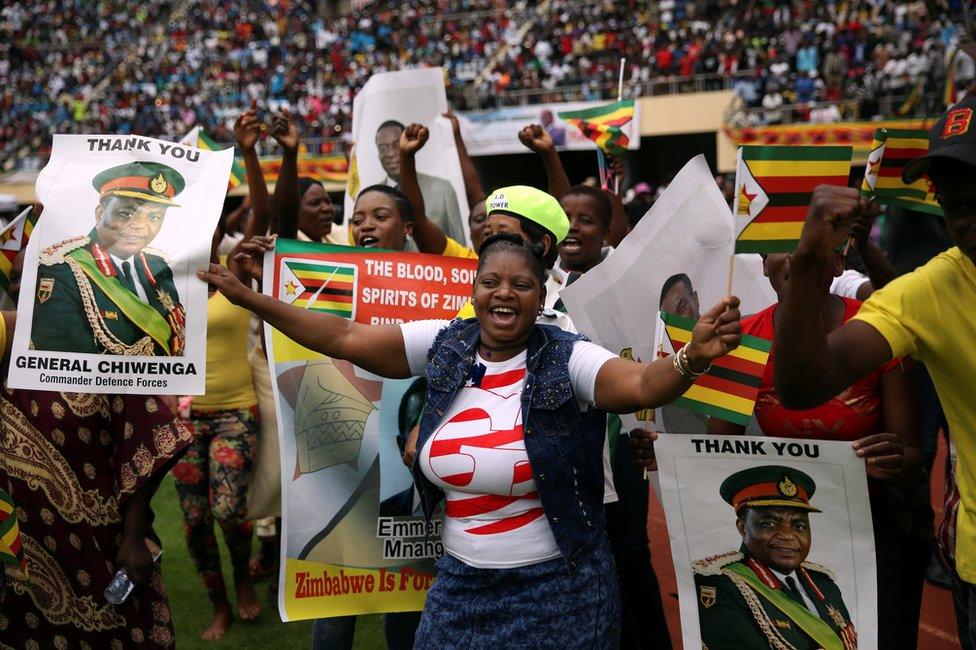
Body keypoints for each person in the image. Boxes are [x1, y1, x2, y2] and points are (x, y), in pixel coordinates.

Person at [202, 231, 744, 648]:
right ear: (476, 289)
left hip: (560, 591)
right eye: (491, 282)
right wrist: (252, 300)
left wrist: (690, 358)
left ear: (539, 296)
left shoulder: (568, 356)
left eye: (522, 284)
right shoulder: (445, 344)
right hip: (460, 585)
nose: (504, 294)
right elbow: (346, 336)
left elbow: (644, 384)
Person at [772, 97, 976, 647]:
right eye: (959, 206)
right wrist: (812, 256)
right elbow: (801, 386)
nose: (972, 220)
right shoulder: (933, 289)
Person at [707, 247, 927, 648]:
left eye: (809, 249)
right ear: (764, 266)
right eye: (782, 250)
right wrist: (664, 455)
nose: (796, 260)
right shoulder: (744, 338)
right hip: (780, 525)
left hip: (875, 521)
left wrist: (892, 459)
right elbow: (714, 450)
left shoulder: (880, 329)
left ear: (838, 265)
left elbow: (913, 454)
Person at [0, 249, 194, 648]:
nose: (26, 284)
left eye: (39, 274)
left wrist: (134, 537)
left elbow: (142, 441)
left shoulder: (102, 344)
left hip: (104, 538)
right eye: (16, 277)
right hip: (22, 547)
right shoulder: (4, 348)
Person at [172, 209, 263, 640]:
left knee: (228, 510)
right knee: (194, 522)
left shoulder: (234, 274)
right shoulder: (162, 288)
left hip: (235, 412)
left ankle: (244, 577)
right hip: (184, 422)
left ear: (217, 234)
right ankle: (220, 604)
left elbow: (261, 215)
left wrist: (250, 152)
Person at [31, 161, 186, 356]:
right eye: (126, 213)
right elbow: (64, 367)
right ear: (100, 214)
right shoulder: (62, 270)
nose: (139, 225)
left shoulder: (159, 266)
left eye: (154, 217)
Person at [694, 466, 857, 650]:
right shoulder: (721, 584)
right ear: (742, 528)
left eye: (799, 526)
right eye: (769, 524)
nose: (788, 535)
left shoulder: (824, 584)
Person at [373, 120, 464, 243]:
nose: (390, 153)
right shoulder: (373, 198)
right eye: (383, 148)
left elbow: (459, 244)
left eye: (396, 145)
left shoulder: (442, 189)